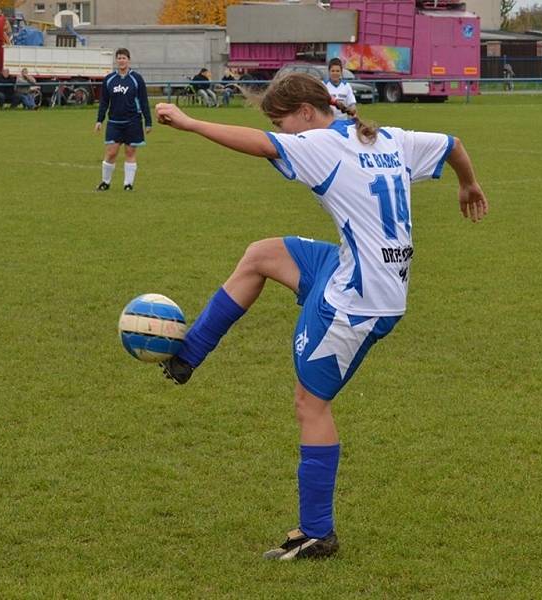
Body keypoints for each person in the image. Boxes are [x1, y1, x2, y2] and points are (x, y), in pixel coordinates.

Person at [154, 73, 488, 560]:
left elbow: (258, 144)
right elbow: (453, 144)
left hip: (358, 300)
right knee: (262, 255)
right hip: (366, 273)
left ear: (307, 112)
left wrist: (189, 122)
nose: (282, 132)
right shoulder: (390, 137)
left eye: (282, 121)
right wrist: (469, 184)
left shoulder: (318, 143)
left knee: (311, 405)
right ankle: (188, 356)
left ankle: (317, 532)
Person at [94, 48, 152, 191]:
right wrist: (99, 120)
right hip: (114, 122)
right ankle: (105, 182)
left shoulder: (136, 78)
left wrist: (148, 122)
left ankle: (128, 184)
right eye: (119, 58)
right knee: (111, 153)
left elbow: (144, 101)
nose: (121, 61)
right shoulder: (109, 79)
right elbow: (104, 102)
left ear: (128, 60)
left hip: (133, 121)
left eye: (124, 58)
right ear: (116, 60)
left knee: (130, 152)